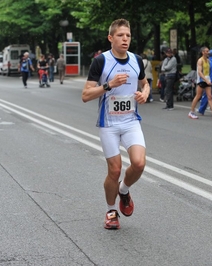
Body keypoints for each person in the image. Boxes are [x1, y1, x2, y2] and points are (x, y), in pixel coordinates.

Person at [81, 18, 150, 230]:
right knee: (115, 170)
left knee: (138, 164)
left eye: (128, 35)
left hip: (131, 122)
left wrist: (144, 93)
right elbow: (85, 95)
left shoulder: (136, 60)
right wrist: (109, 85)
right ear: (111, 38)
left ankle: (124, 190)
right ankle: (111, 210)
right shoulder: (101, 61)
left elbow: (145, 83)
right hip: (109, 124)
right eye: (120, 35)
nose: (125, 39)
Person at [188, 46, 212, 119]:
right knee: (198, 96)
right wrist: (205, 80)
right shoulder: (200, 60)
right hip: (201, 80)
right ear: (203, 52)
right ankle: (191, 112)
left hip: (207, 79)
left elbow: (209, 71)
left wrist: (209, 79)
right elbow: (200, 72)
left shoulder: (208, 60)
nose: (208, 52)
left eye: (208, 51)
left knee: (210, 96)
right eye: (207, 51)